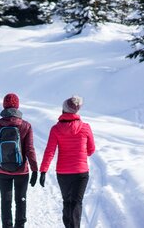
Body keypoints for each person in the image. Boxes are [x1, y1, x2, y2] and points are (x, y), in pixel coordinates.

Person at [38, 95, 95, 228]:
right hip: (81, 172)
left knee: (67, 202)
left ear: (63, 110)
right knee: (76, 203)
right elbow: (91, 150)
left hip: (63, 173)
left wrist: (43, 171)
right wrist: (79, 155)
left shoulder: (56, 129)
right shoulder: (85, 127)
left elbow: (49, 151)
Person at [0, 93, 39, 228]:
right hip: (22, 171)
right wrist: (35, 169)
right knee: (20, 200)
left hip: (2, 171)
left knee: (5, 201)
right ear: (17, 106)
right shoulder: (26, 126)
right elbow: (30, 149)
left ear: (4, 106)